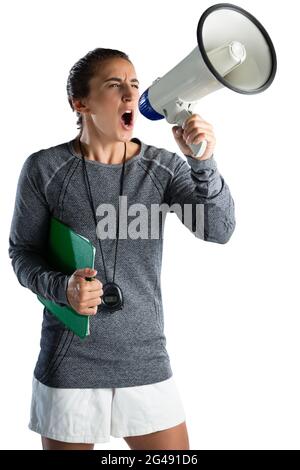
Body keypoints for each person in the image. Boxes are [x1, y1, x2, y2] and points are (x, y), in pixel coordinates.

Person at [8, 48, 236, 450]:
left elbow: (219, 229)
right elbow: (22, 253)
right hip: (69, 365)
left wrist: (203, 162)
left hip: (144, 360)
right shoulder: (44, 169)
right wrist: (63, 288)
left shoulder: (163, 167)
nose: (130, 94)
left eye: (134, 84)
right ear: (80, 102)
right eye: (114, 86)